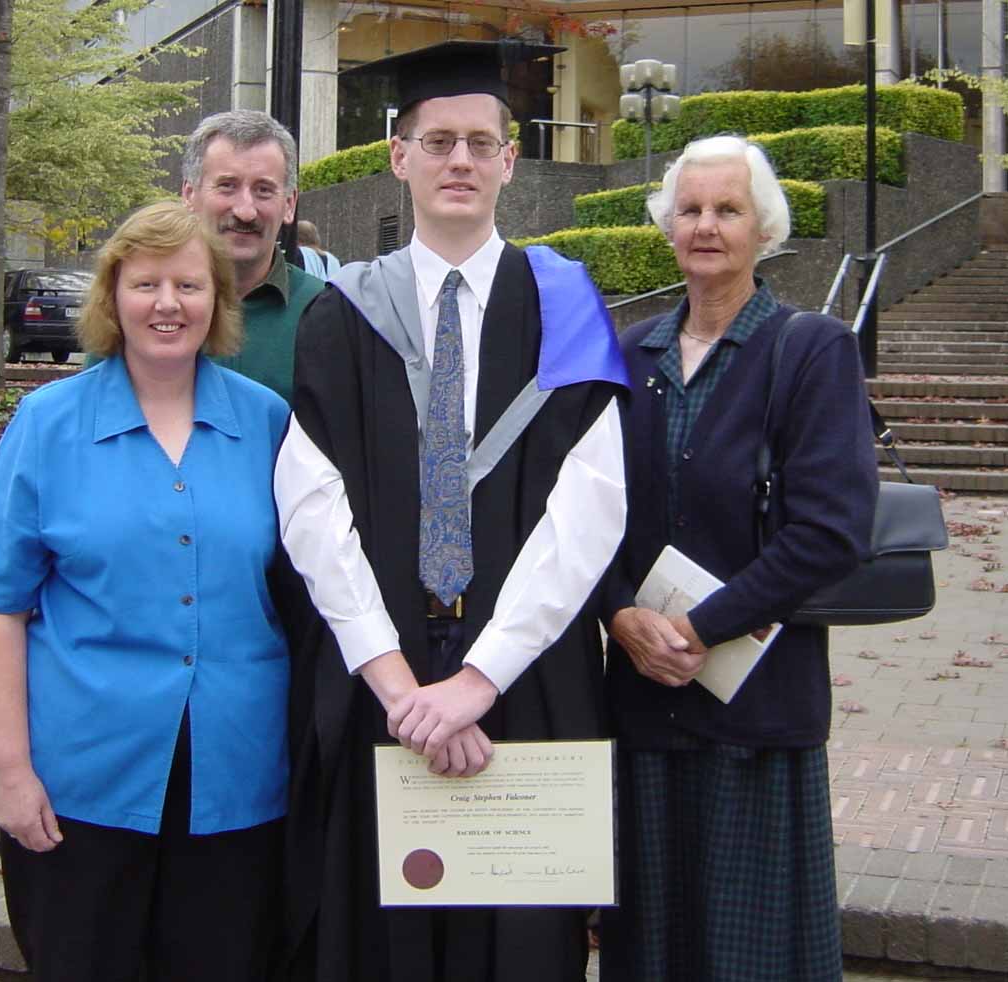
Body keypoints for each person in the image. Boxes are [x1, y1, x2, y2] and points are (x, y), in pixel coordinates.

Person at [273, 39, 629, 982]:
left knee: (521, 941)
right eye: (438, 142)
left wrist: (476, 682)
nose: (460, 160)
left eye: (480, 142)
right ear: (399, 157)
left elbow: (589, 514)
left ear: (511, 161)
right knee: (377, 933)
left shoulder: (568, 305)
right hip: (379, 679)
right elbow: (313, 511)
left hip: (528, 678)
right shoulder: (343, 312)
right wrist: (401, 688)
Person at [0, 201, 293, 982]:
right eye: (146, 284)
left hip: (239, 774)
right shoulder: (47, 423)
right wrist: (11, 772)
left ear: (218, 300)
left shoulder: (269, 425)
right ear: (113, 297)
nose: (168, 304)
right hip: (85, 778)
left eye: (189, 285)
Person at [599, 135, 878, 981]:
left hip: (755, 709)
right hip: (644, 705)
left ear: (765, 229)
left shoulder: (811, 349)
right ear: (667, 227)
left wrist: (696, 627)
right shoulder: (628, 354)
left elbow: (830, 530)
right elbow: (583, 518)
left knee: (750, 954)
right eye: (690, 209)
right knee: (650, 949)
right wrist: (618, 613)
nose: (707, 226)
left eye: (728, 210)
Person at [181, 110, 324, 401]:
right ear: (189, 195)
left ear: (289, 204)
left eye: (263, 190)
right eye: (227, 186)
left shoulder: (327, 312)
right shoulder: (145, 309)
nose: (245, 211)